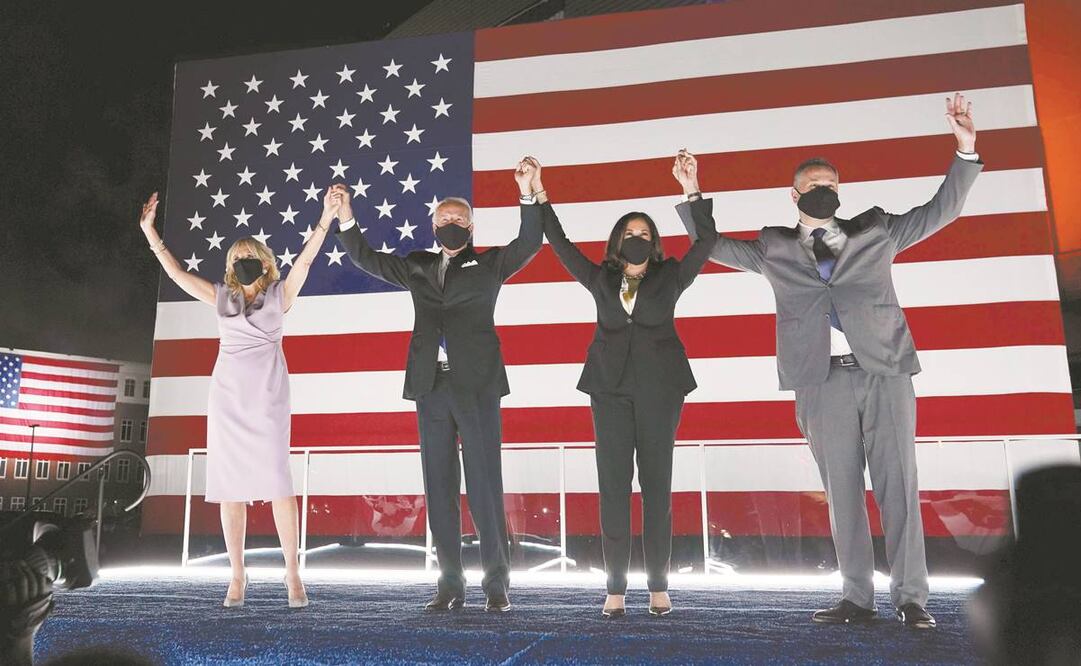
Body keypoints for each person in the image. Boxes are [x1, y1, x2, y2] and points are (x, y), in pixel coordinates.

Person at [675, 93, 982, 629]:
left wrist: (964, 146)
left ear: (841, 193)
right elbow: (712, 245)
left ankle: (912, 599)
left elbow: (943, 210)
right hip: (820, 382)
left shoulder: (876, 231)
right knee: (841, 492)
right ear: (794, 194)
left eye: (832, 187)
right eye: (815, 187)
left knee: (898, 486)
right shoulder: (773, 248)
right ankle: (857, 599)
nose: (824, 193)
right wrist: (693, 192)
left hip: (883, 370)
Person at [331, 159, 543, 613]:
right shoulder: (418, 267)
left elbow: (529, 242)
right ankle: (450, 583)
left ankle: (496, 584)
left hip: (478, 387)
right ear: (433, 225)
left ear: (471, 225)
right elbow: (366, 258)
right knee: (439, 486)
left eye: (458, 219)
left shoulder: (488, 265)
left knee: (485, 485)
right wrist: (346, 217)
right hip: (431, 387)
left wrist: (528, 192)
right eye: (444, 219)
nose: (451, 224)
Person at [531, 154, 717, 618]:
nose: (637, 240)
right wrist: (538, 192)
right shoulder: (600, 278)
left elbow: (707, 240)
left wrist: (692, 189)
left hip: (661, 391)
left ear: (654, 243)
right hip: (609, 391)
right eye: (629, 234)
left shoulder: (672, 275)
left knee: (658, 488)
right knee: (613, 488)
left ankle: (658, 586)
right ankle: (614, 587)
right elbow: (560, 242)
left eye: (645, 234)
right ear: (617, 242)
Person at [139, 187, 339, 608]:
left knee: (278, 484)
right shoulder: (222, 297)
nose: (242, 263)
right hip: (227, 398)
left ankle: (292, 573)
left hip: (268, 397)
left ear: (264, 263)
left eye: (250, 257)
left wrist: (325, 219)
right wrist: (151, 233)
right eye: (235, 258)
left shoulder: (279, 295)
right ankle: (237, 576)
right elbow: (177, 276)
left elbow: (304, 260)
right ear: (230, 267)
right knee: (231, 488)